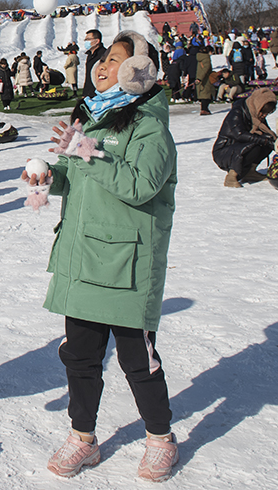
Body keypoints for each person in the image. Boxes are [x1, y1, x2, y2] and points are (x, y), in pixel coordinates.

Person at [22, 30, 179, 482]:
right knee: (80, 356)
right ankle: (82, 437)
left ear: (139, 72)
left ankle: (160, 439)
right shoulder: (93, 121)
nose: (102, 65)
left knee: (137, 361)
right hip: (83, 257)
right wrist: (49, 176)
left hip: (127, 266)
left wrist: (87, 155)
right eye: (103, 58)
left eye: (115, 59)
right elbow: (77, 174)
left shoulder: (151, 129)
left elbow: (140, 186)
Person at [212, 87, 277, 187]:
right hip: (224, 150)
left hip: (241, 146)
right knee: (256, 145)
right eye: (263, 112)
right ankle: (231, 176)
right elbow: (239, 134)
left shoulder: (255, 114)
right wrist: (263, 140)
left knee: (266, 142)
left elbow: (266, 133)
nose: (264, 116)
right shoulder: (237, 112)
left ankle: (250, 172)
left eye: (266, 113)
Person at [81, 30, 105, 98]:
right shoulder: (90, 55)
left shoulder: (104, 55)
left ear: (97, 41)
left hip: (98, 94)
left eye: (88, 39)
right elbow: (88, 76)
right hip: (89, 94)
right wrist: (85, 93)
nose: (86, 42)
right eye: (85, 39)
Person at [196, 46, 215, 115]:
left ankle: (204, 109)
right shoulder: (206, 58)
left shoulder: (200, 57)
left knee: (203, 94)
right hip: (205, 79)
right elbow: (206, 69)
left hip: (200, 77)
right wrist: (200, 78)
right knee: (206, 95)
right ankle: (204, 109)